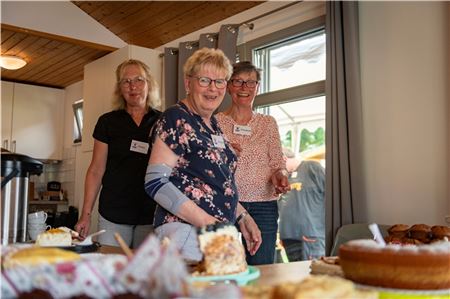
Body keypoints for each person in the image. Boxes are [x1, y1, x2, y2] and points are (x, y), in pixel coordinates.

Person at [144, 48, 261, 261]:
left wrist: (243, 217)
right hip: (186, 233)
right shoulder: (176, 117)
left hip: (215, 234)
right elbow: (155, 183)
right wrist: (208, 223)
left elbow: (216, 185)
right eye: (205, 80)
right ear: (188, 83)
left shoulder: (212, 124)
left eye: (219, 82)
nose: (212, 89)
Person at [74, 59, 161, 248]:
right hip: (114, 212)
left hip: (151, 212)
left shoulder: (163, 121)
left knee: (143, 274)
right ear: (119, 88)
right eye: (126, 81)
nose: (133, 86)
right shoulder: (107, 122)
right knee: (111, 271)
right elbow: (96, 170)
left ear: (149, 83)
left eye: (139, 79)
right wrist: (85, 214)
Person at [216, 61, 290, 265]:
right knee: (224, 266)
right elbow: (210, 166)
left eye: (250, 82)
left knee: (262, 267)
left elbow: (277, 162)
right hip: (226, 203)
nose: (244, 88)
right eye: (238, 81)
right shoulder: (216, 123)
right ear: (229, 86)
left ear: (257, 87)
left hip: (263, 205)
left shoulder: (268, 123)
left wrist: (281, 174)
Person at [278, 149, 326, 261]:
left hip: (309, 237)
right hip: (288, 238)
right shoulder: (284, 179)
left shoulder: (312, 168)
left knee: (311, 274)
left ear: (284, 159)